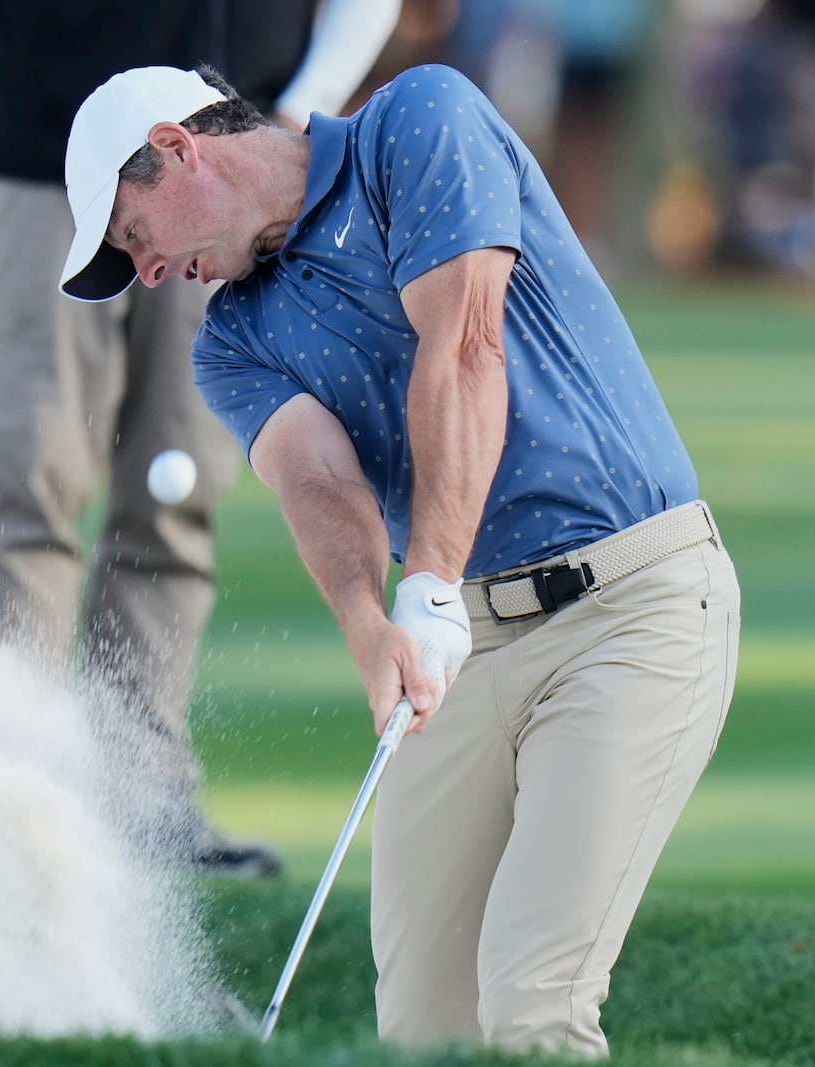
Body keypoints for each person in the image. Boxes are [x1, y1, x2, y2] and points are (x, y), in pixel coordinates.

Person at [58, 63, 742, 1054]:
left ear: (175, 147)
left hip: (629, 607)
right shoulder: (232, 342)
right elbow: (315, 480)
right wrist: (368, 621)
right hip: (456, 646)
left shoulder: (417, 122)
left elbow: (463, 345)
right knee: (424, 1028)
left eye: (135, 236)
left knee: (532, 998)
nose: (152, 272)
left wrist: (421, 578)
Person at [0, 1, 399, 878]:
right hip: (50, 147)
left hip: (226, 168)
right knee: (30, 474)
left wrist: (300, 104)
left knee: (177, 489)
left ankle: (140, 800)